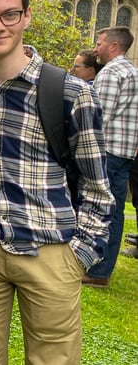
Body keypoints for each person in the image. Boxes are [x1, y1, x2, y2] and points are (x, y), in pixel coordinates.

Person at [0, 0, 114, 364]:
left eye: (8, 14)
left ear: (26, 17)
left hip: (50, 251)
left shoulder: (72, 93)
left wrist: (80, 255)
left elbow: (98, 187)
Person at [84, 26, 138, 285]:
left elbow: (98, 117)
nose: (95, 48)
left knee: (97, 210)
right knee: (114, 213)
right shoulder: (133, 73)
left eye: (99, 43)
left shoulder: (110, 74)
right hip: (125, 152)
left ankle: (94, 269)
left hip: (105, 152)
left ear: (113, 46)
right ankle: (102, 270)